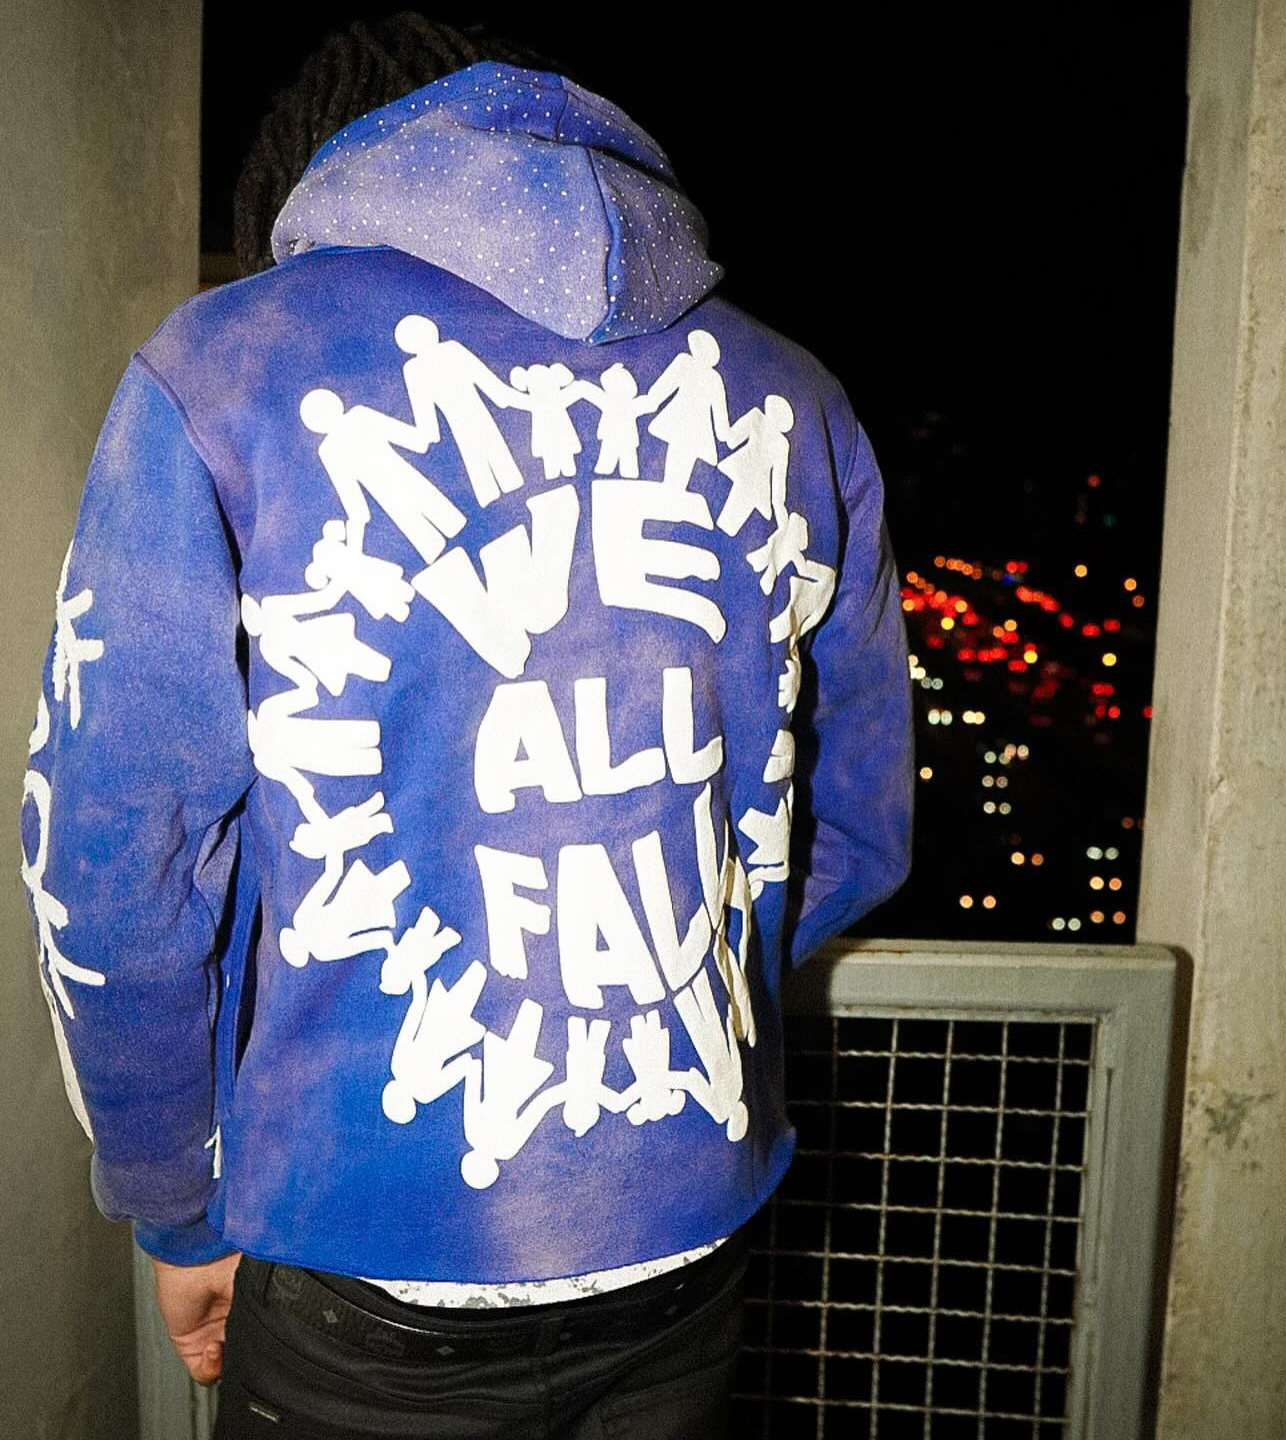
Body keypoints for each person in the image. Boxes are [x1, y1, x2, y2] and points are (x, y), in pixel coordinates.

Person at [19, 12, 913, 1437]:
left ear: (310, 183)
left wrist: (174, 1200)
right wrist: (661, 993)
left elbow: (114, 859)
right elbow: (857, 831)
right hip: (697, 1227)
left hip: (362, 1259)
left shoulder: (220, 370)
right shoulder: (793, 395)